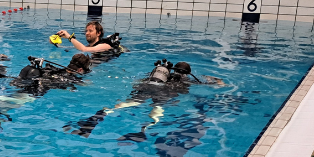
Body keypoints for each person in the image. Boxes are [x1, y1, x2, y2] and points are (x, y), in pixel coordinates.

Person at [65, 59, 223, 139]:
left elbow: (139, 81)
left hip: (146, 87)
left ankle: (96, 118)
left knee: (125, 104)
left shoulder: (159, 74)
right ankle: (144, 130)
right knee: (157, 109)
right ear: (187, 73)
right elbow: (211, 83)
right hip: (164, 93)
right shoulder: (185, 79)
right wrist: (217, 81)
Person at [14, 53, 92, 96]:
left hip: (31, 77)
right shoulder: (73, 79)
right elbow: (87, 85)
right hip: (40, 86)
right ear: (80, 70)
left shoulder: (54, 69)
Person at [54, 20, 122, 55]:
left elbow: (84, 49)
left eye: (90, 31)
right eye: (86, 31)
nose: (87, 33)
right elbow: (74, 48)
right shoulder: (89, 46)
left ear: (98, 33)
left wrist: (69, 37)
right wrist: (56, 43)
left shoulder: (105, 45)